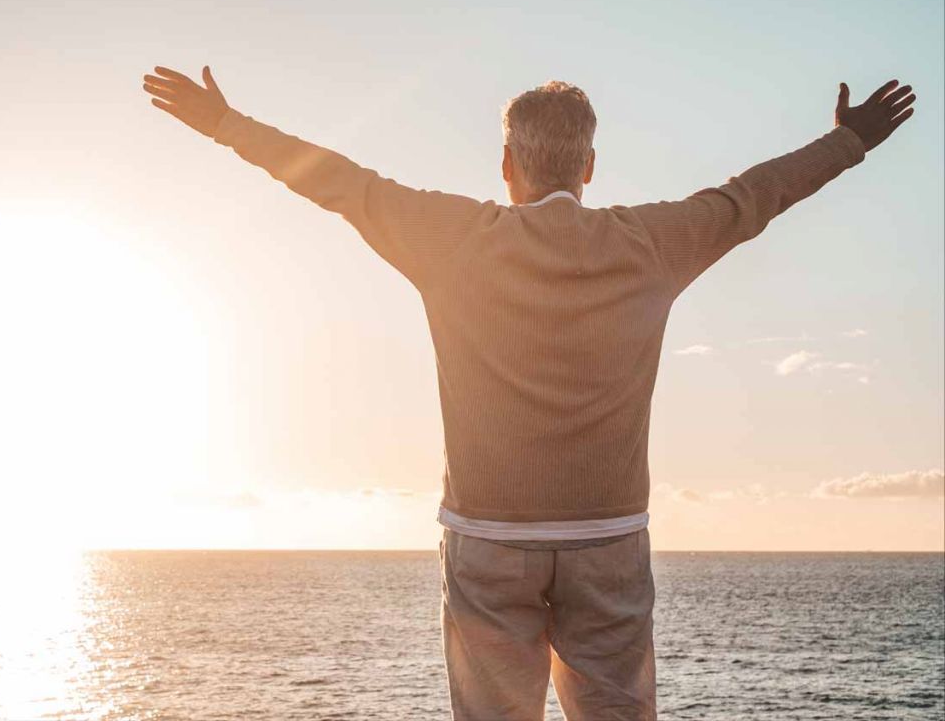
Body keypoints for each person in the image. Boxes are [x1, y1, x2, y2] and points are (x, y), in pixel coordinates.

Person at [142, 67, 914, 720]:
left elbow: (339, 183)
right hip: (608, 539)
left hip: (487, 539)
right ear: (588, 166)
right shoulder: (650, 241)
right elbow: (756, 196)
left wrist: (223, 122)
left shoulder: (451, 238)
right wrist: (852, 141)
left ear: (507, 163)